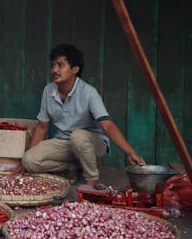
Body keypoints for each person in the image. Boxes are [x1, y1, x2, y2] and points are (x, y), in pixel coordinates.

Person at [19, 44, 145, 188]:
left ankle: (92, 177)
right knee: (29, 160)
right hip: (64, 143)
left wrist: (130, 152)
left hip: (92, 142)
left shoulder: (89, 93)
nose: (54, 70)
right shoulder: (48, 91)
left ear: (75, 69)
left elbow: (107, 125)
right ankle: (71, 166)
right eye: (53, 65)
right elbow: (42, 127)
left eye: (60, 65)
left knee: (78, 136)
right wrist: (24, 162)